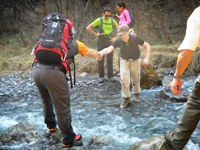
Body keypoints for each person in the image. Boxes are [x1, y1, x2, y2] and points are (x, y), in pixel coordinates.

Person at [32, 39, 102, 148]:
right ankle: (69, 139)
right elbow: (91, 52)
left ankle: (51, 126)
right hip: (53, 74)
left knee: (46, 99)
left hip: (36, 71)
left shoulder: (44, 40)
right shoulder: (72, 43)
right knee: (62, 106)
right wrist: (100, 55)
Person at [160, 6, 200, 150]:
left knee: (195, 104)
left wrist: (177, 76)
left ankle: (176, 143)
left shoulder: (198, 13)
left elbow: (186, 51)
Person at [99, 25, 151, 109]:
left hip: (136, 61)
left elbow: (147, 46)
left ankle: (136, 94)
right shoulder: (119, 41)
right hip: (124, 61)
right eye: (119, 35)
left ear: (127, 33)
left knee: (136, 79)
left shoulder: (134, 38)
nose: (121, 36)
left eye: (122, 34)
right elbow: (110, 48)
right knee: (124, 80)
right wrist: (101, 53)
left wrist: (146, 58)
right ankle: (126, 98)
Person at [86, 7, 118, 83]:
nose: (107, 17)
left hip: (110, 41)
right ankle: (101, 77)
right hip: (100, 41)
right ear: (103, 14)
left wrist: (115, 38)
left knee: (110, 59)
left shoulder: (112, 21)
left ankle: (110, 76)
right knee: (100, 58)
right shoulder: (99, 20)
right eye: (106, 15)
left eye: (109, 16)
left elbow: (119, 29)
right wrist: (96, 34)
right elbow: (88, 28)